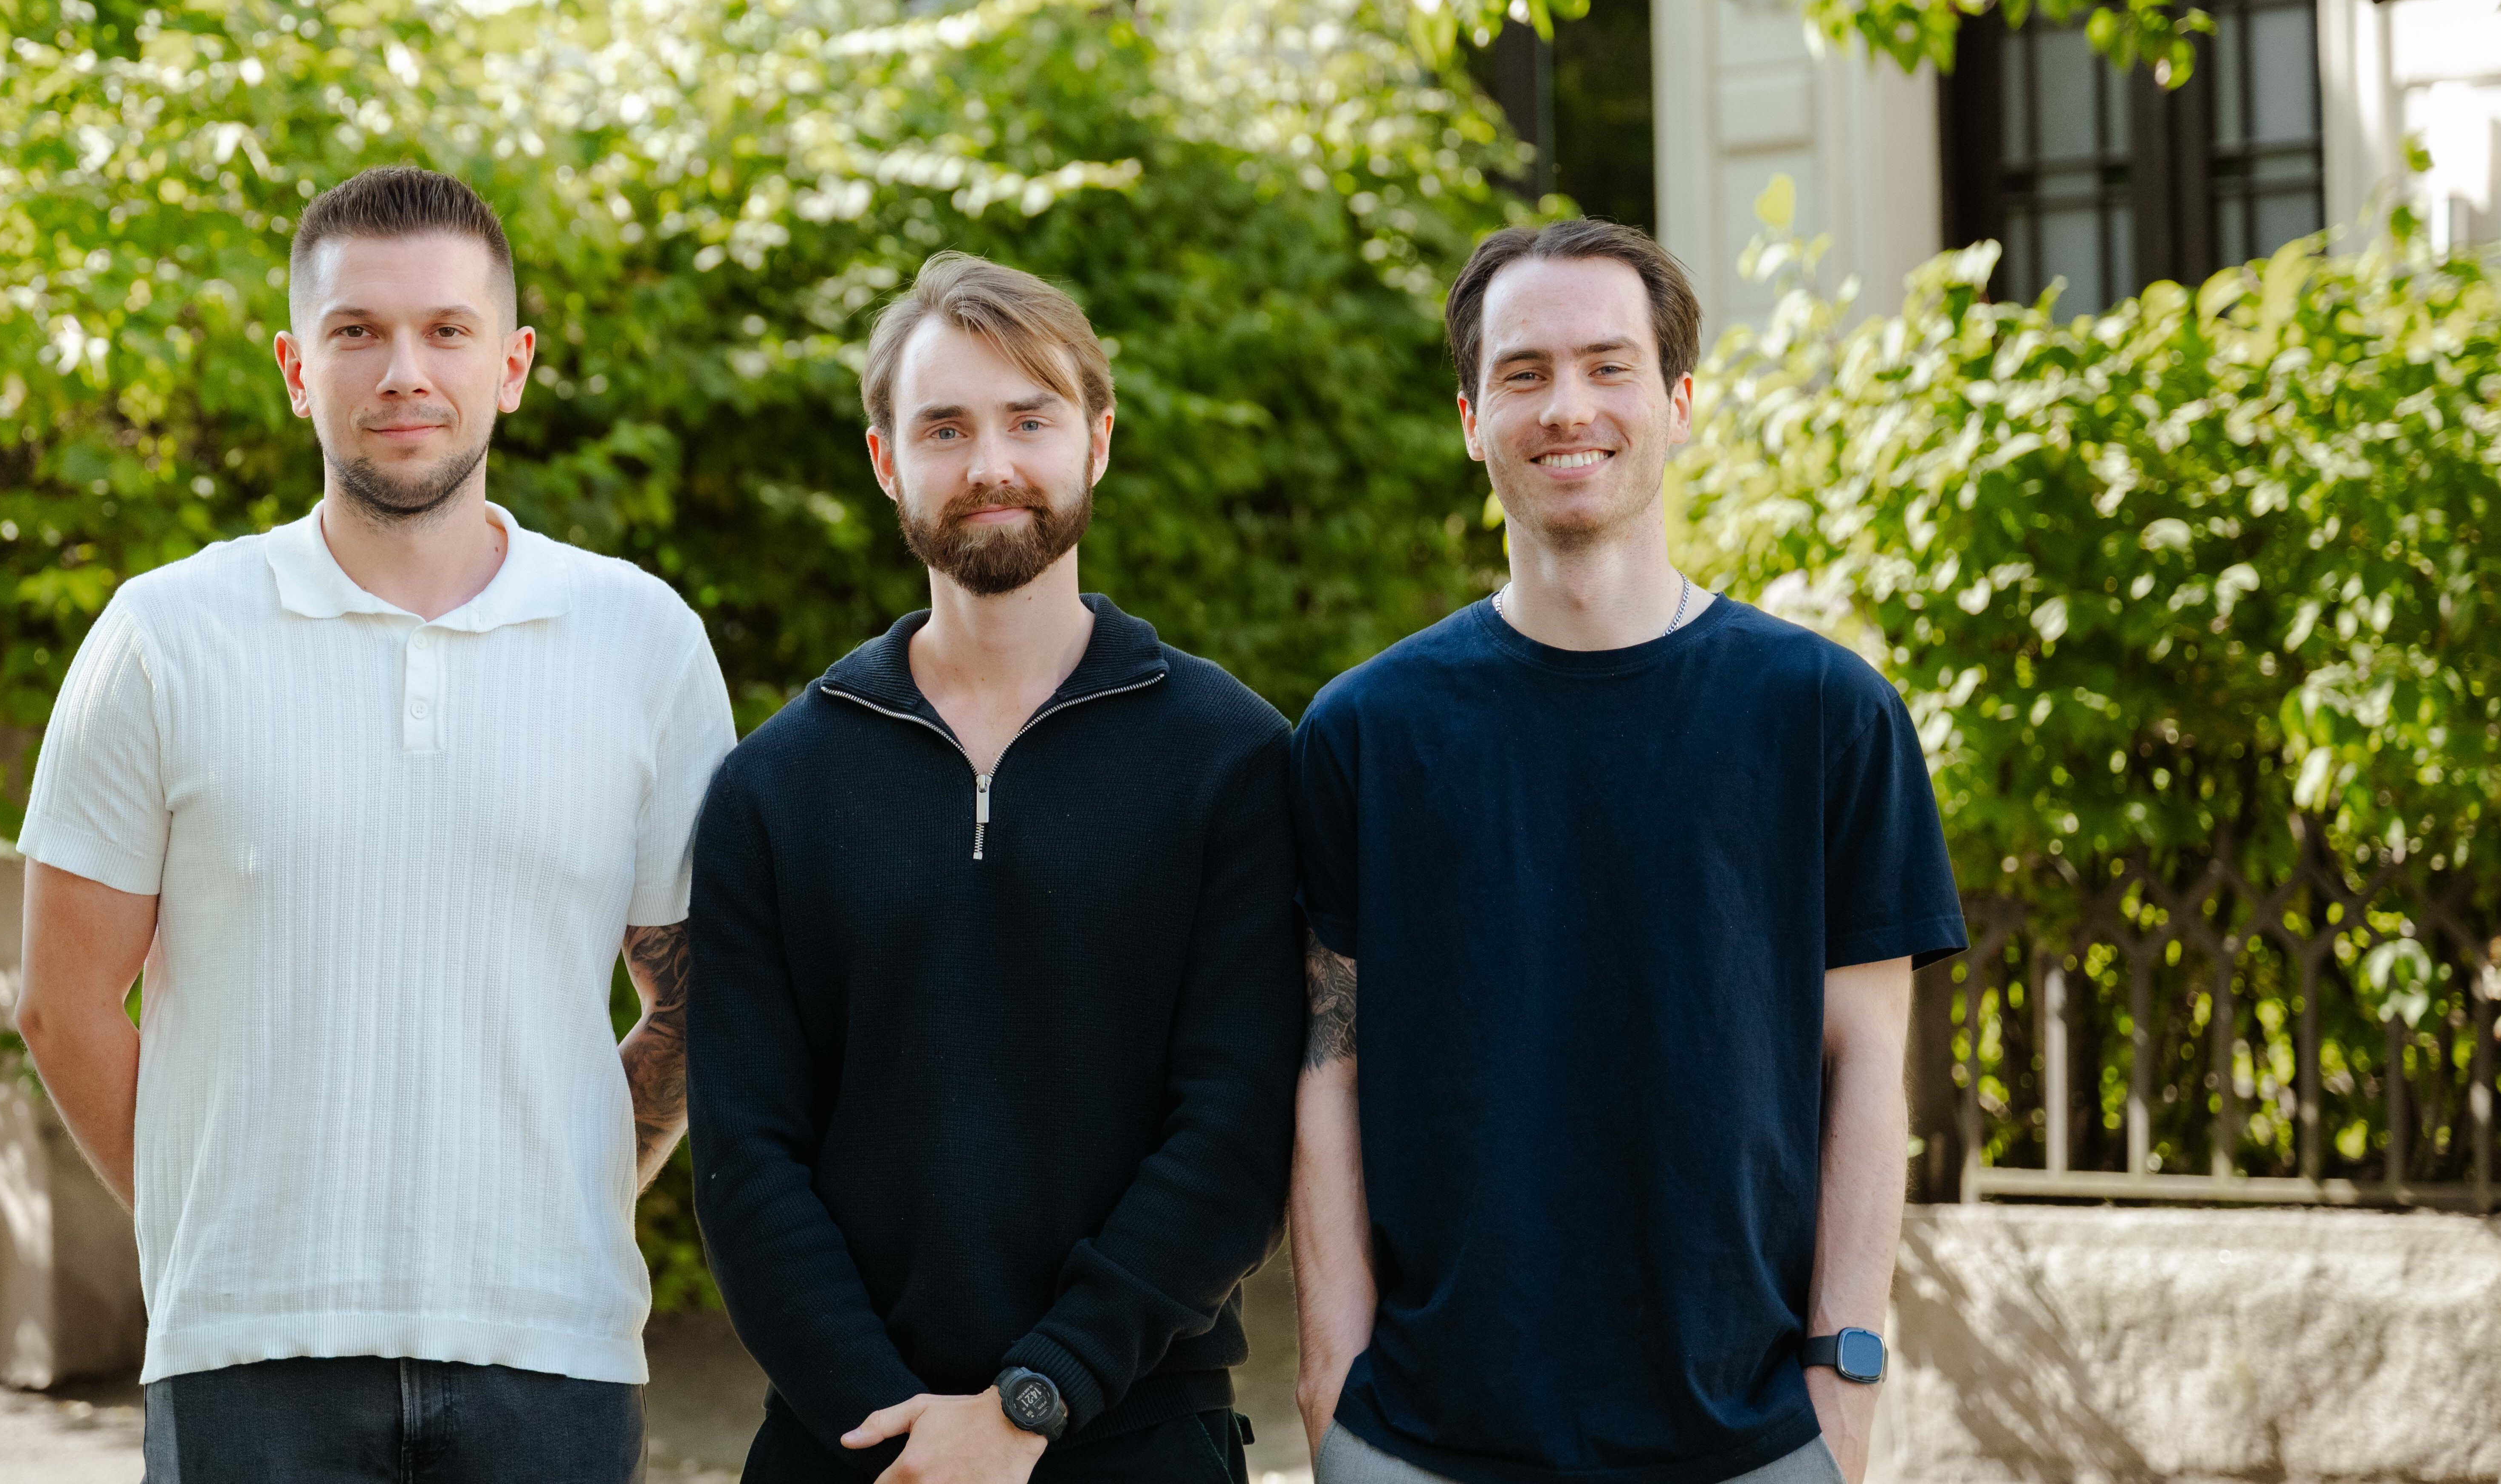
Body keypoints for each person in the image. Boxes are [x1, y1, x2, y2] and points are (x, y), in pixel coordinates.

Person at [13, 165, 735, 1484]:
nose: (405, 371)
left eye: (447, 330)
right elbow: (62, 1005)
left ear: (512, 366)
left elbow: (696, 1000)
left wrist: (564, 1194)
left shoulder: (644, 642)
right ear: (299, 370)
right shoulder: (164, 637)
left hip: (552, 1353)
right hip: (246, 1362)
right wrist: (220, 1238)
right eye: (358, 332)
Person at [1285, 220, 1968, 1484]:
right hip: (1423, 1441)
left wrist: (1844, 1381)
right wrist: (1334, 1385)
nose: (1568, 408)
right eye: (1524, 373)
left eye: (1609, 366)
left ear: (1679, 402)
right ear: (1472, 418)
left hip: (1754, 1438)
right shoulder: (1365, 733)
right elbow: (1330, 1064)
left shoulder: (1826, 715)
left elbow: (1870, 1066)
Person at [685, 251, 1303, 1484]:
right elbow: (746, 1159)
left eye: (1030, 420)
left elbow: (1234, 1136)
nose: (990, 466)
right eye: (946, 428)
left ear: (1098, 442)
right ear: (886, 461)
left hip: (1138, 1435)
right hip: (851, 1445)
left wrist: (1033, 1400)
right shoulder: (776, 787)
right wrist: (898, 1427)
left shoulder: (1231, 759)